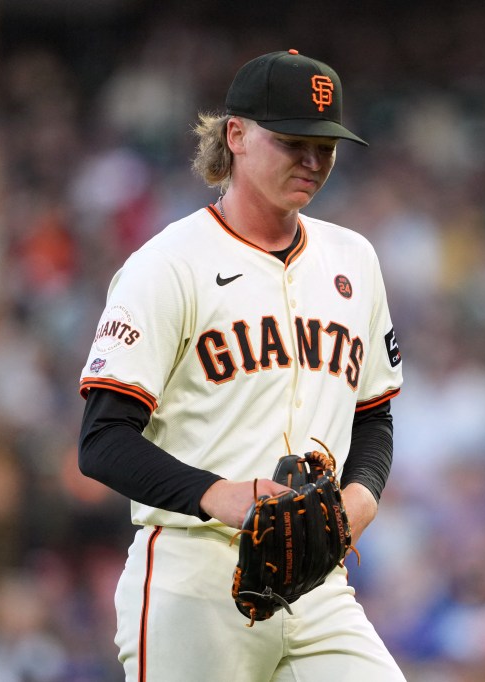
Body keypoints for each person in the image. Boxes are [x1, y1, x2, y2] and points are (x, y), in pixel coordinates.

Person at [77, 49, 406, 681]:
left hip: (318, 582)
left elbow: (375, 417)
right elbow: (101, 441)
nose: (313, 161)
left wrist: (360, 498)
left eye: (326, 146)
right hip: (193, 577)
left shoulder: (354, 260)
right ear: (236, 135)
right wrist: (221, 495)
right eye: (293, 142)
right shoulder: (168, 264)